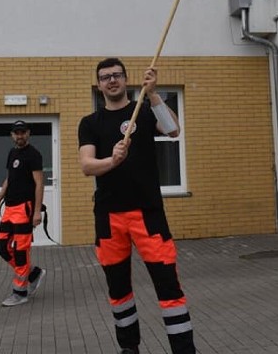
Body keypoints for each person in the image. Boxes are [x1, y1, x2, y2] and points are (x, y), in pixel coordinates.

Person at [78, 58, 195, 354]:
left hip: (147, 214)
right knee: (118, 290)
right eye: (105, 77)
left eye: (117, 75)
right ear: (99, 84)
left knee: (168, 286)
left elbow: (173, 131)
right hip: (109, 216)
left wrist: (154, 93)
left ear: (126, 79)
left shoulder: (143, 110)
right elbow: (87, 165)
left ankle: (184, 349)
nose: (112, 81)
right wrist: (112, 161)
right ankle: (129, 348)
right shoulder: (90, 123)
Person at [0, 120, 47, 307]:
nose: (20, 135)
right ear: (12, 135)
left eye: (23, 132)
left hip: (25, 208)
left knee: (21, 251)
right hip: (10, 208)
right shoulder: (12, 153)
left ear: (28, 133)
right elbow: (9, 178)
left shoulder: (34, 155)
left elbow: (39, 183)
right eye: (16, 133)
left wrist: (37, 212)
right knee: (2, 248)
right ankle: (33, 274)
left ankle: (20, 292)